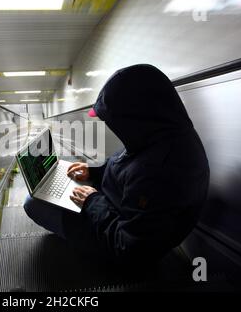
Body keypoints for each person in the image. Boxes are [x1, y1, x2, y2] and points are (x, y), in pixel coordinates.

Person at [24, 64, 210, 264]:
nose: (112, 127)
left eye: (114, 121)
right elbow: (125, 167)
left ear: (134, 119)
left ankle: (80, 249)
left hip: (111, 232)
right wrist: (94, 172)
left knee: (33, 202)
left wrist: (92, 201)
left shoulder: (161, 171)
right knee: (54, 183)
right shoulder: (159, 134)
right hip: (110, 205)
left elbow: (129, 247)